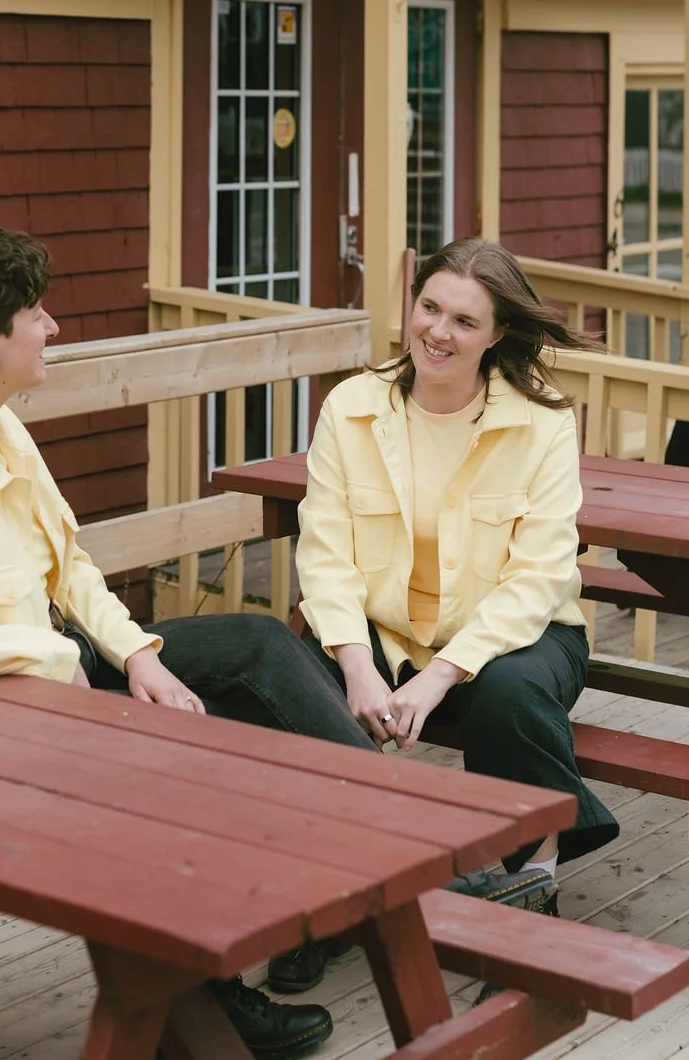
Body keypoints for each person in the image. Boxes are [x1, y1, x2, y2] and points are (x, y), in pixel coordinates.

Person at [0, 219, 379, 1060]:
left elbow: (70, 567)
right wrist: (47, 654)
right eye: (36, 313)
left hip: (67, 663)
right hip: (10, 713)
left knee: (257, 644)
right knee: (211, 757)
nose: (52, 326)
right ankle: (218, 1002)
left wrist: (136, 655)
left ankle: (383, 845)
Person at [265, 237, 619, 1001]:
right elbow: (324, 553)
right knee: (292, 682)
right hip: (384, 633)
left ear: (497, 334)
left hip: (518, 634)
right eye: (429, 307)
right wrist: (355, 664)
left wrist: (441, 676)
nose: (438, 331)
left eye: (464, 320)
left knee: (509, 696)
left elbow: (539, 577)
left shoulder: (542, 424)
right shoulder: (352, 407)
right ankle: (316, 902)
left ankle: (532, 891)